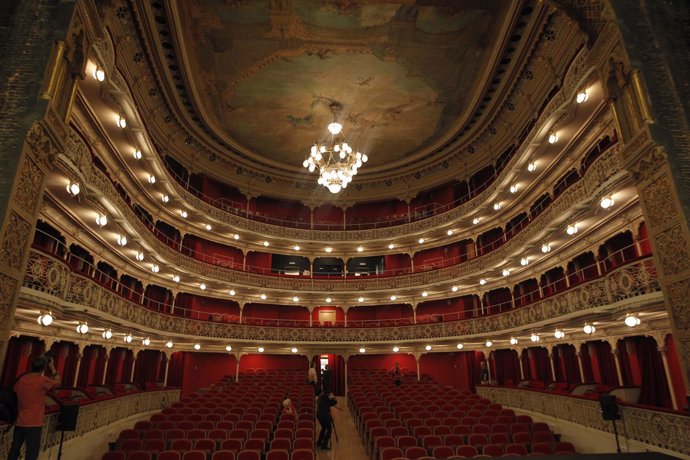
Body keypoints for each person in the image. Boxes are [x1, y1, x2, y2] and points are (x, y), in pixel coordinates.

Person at [7, 355, 60, 460]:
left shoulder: (22, 379)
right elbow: (58, 382)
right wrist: (52, 366)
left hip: (20, 421)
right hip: (34, 424)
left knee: (14, 451)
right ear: (44, 368)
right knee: (31, 453)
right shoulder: (42, 380)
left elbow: (15, 390)